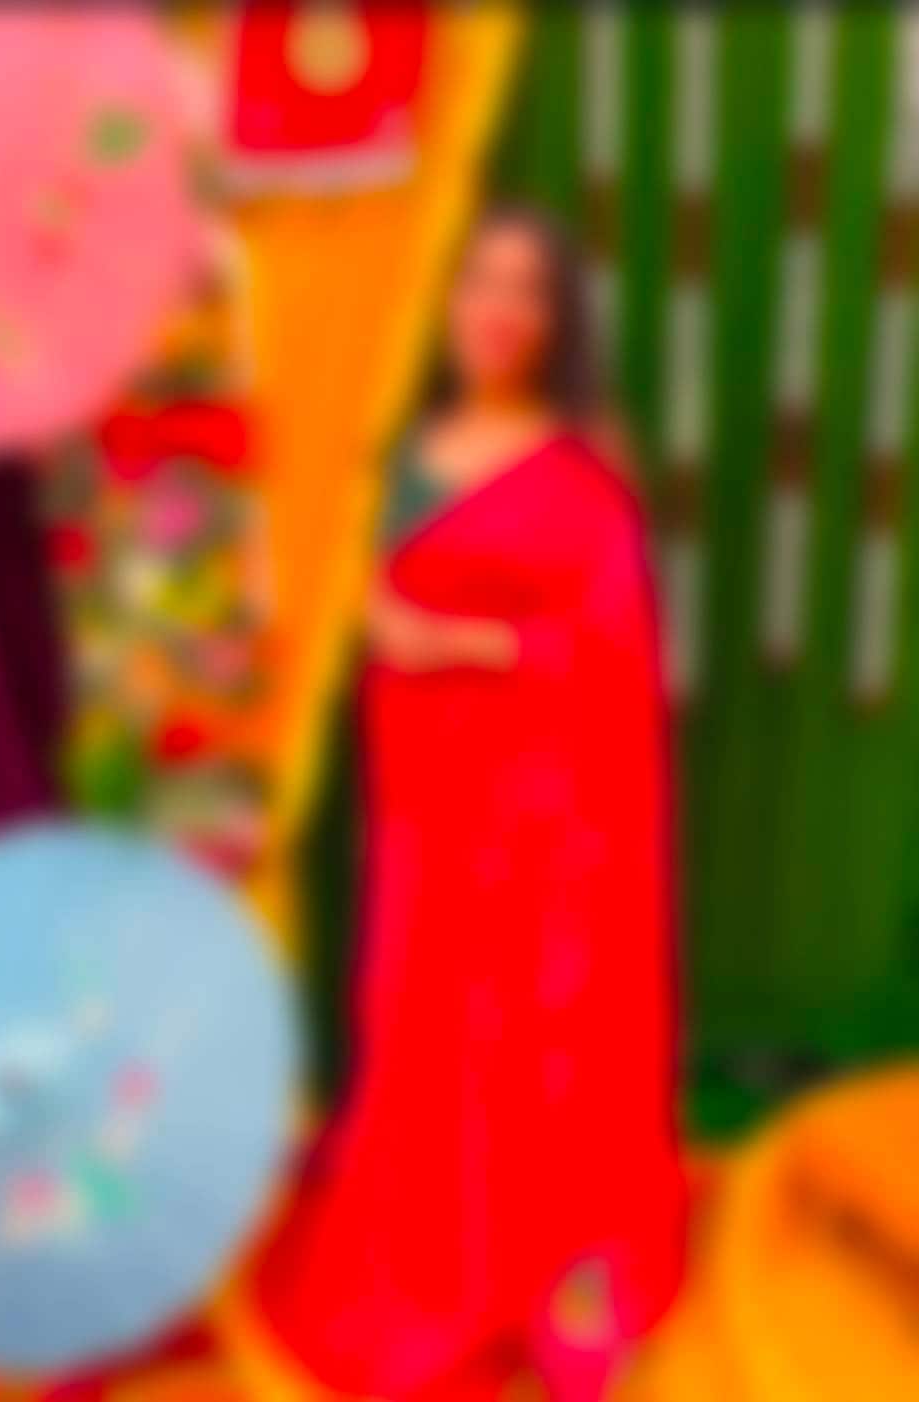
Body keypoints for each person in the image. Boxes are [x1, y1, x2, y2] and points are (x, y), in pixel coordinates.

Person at [253, 205, 685, 1399]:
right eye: (480, 282)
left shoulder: (580, 473)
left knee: (527, 1021)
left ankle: (534, 1264)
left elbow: (612, 655)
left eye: (526, 290)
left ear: (556, 321)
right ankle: (425, 1240)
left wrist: (458, 641)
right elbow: (341, 575)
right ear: (445, 301)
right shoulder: (400, 448)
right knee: (416, 1005)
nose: (497, 310)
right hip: (418, 801)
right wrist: (366, 609)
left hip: (540, 818)